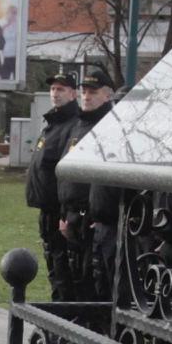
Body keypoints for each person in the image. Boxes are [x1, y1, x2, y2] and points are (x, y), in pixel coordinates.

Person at [54, 68, 124, 301]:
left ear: (107, 95)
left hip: (93, 219)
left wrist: (94, 214)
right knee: (72, 279)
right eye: (84, 91)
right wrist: (64, 214)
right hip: (72, 217)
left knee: (93, 284)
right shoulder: (79, 126)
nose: (87, 96)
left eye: (93, 92)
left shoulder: (109, 127)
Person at [26, 69, 82, 296]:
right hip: (47, 209)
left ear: (73, 93)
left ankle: (62, 316)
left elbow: (67, 172)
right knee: (53, 264)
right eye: (52, 88)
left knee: (62, 268)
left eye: (61, 89)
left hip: (59, 211)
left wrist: (65, 213)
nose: (55, 93)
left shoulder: (72, 124)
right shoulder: (53, 122)